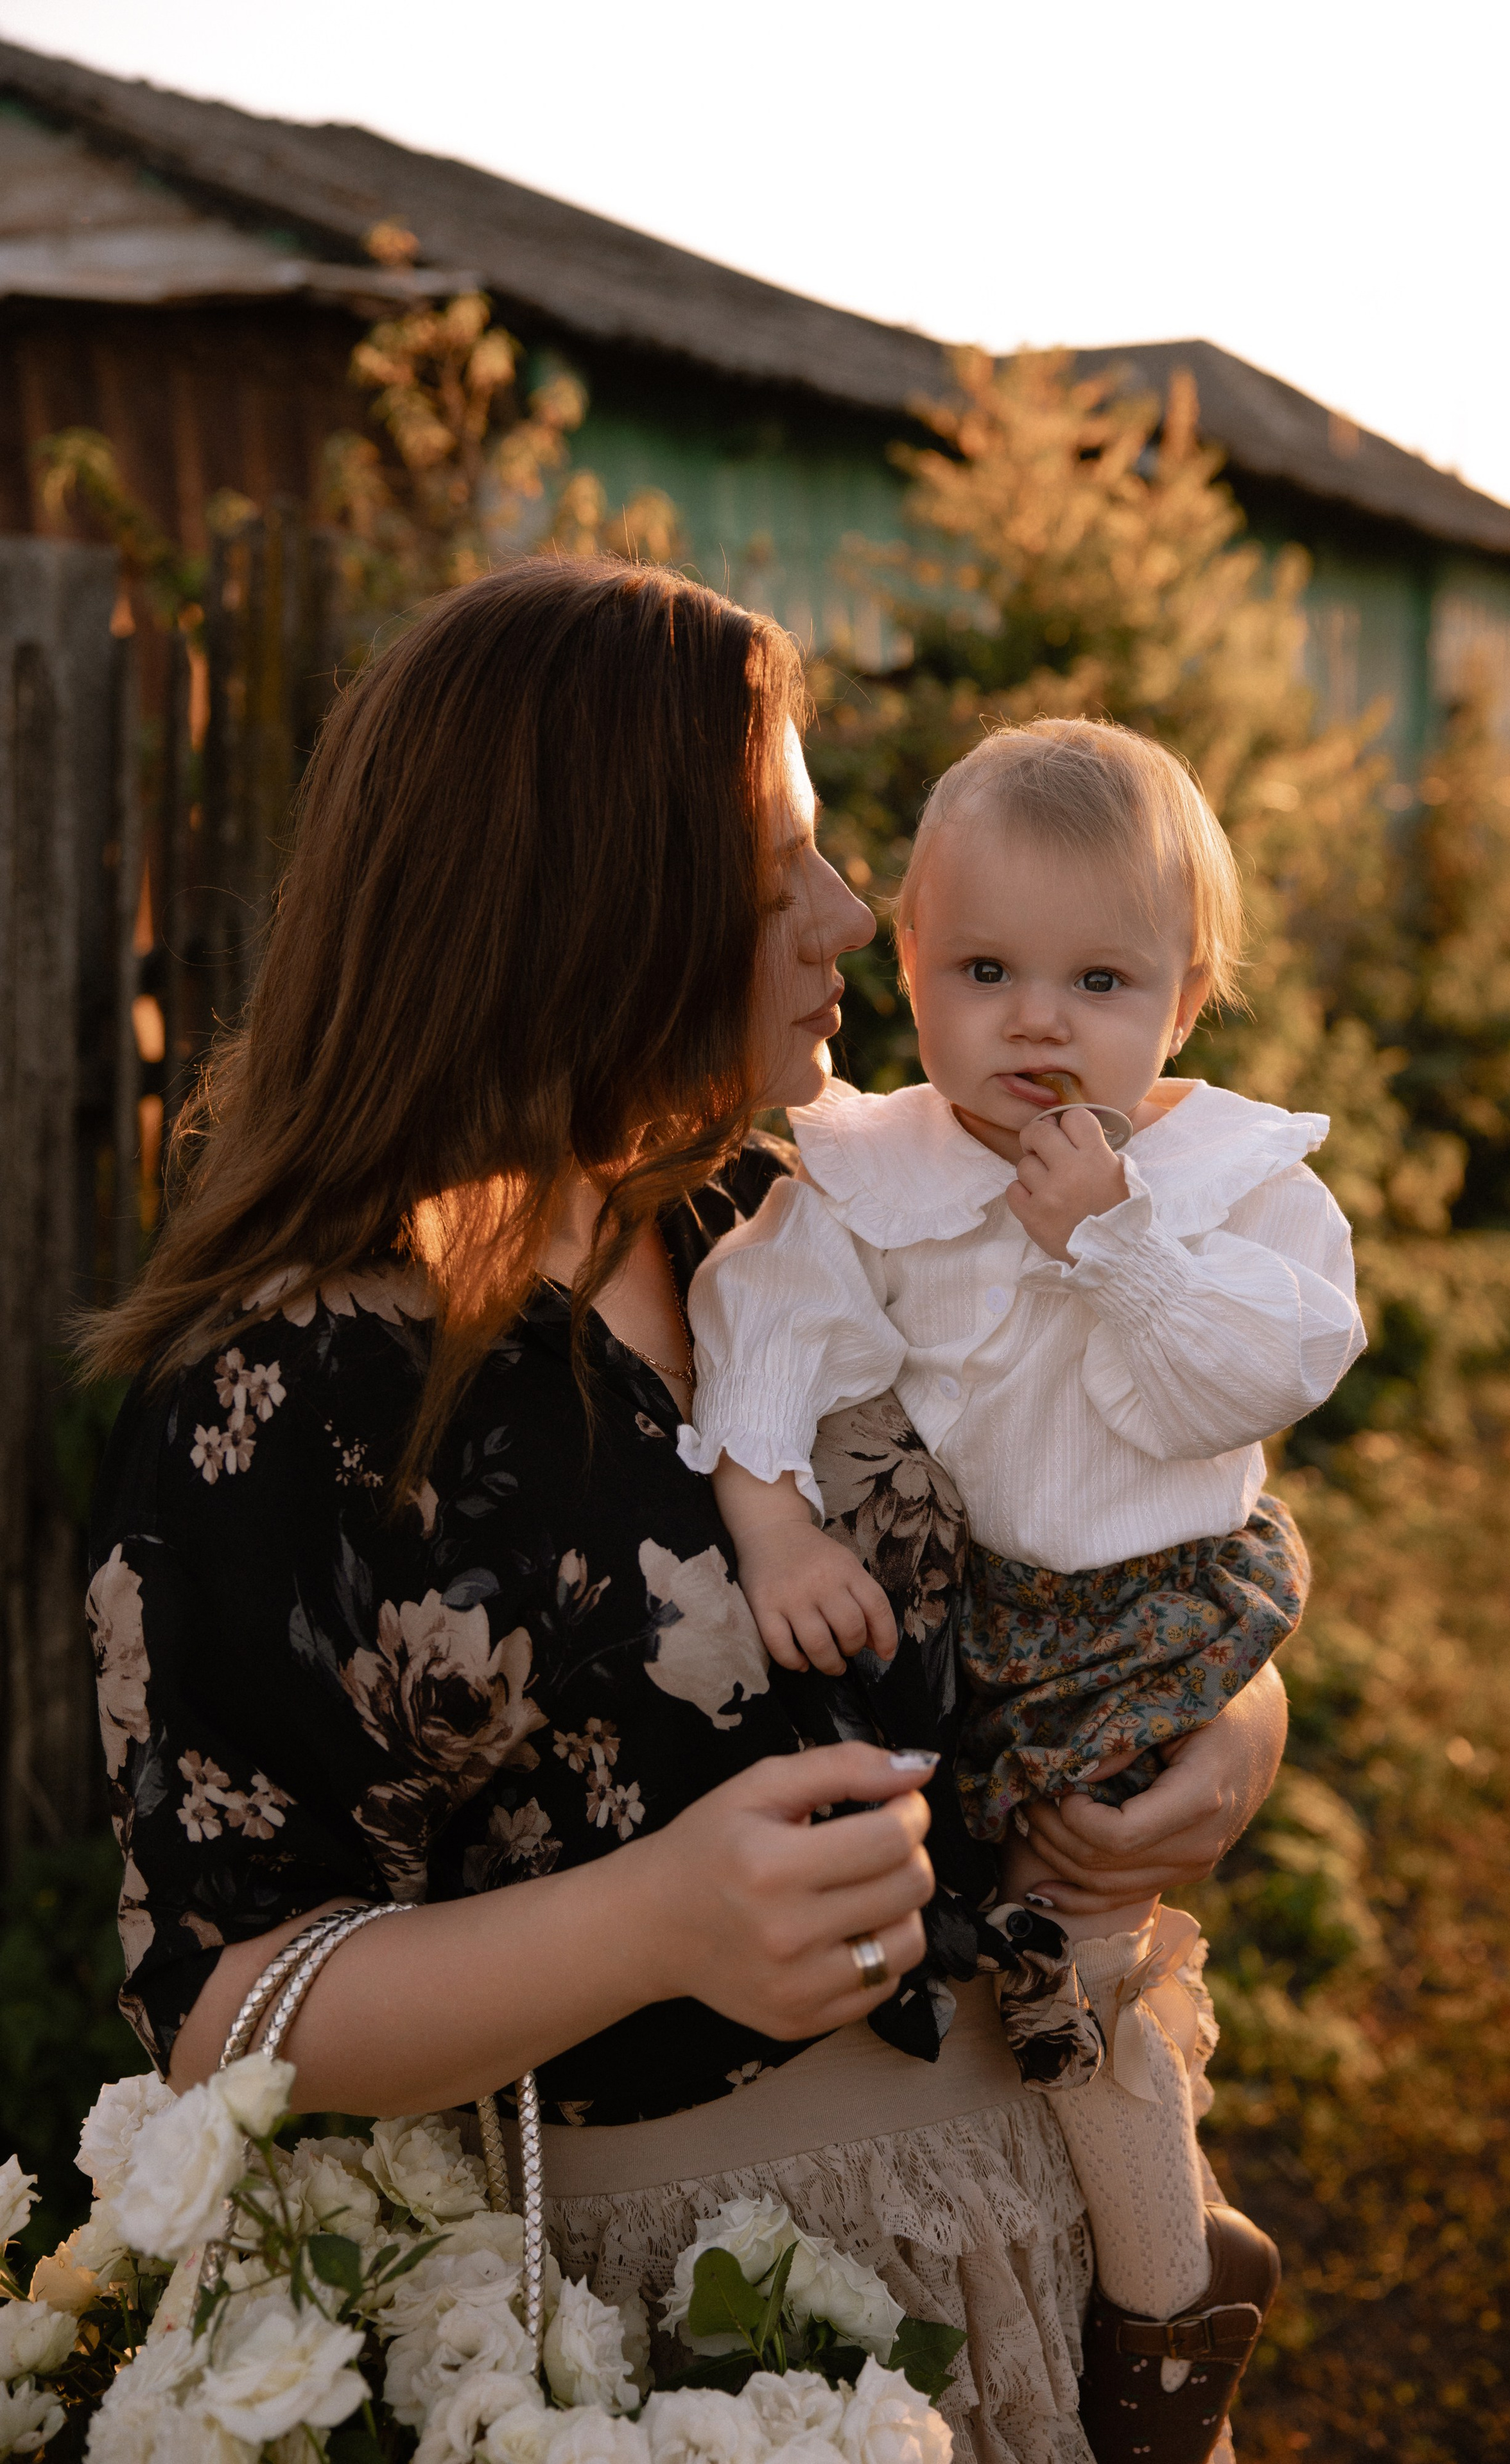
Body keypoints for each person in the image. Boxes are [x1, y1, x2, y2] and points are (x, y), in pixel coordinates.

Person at [82, 564, 1289, 2464]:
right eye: (780, 864)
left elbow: (1113, 1514)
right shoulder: (292, 1393)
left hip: (1038, 2237)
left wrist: (1228, 1738)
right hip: (691, 2338)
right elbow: (226, 2005)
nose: (846, 916)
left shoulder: (812, 1218)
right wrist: (651, 1921)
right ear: (587, 909)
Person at [683, 717, 1366, 2443]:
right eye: (985, 970)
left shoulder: (1225, 1184)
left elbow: (1268, 1371)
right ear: (907, 971)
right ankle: (1121, 2261)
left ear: (1188, 997)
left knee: (1088, 1964)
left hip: (1154, 1612)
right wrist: (768, 1525)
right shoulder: (871, 1175)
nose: (1041, 1024)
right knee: (1003, 1942)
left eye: (1100, 981)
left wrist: (1114, 1242)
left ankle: (1162, 2319)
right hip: (979, 1631)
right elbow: (762, 1327)